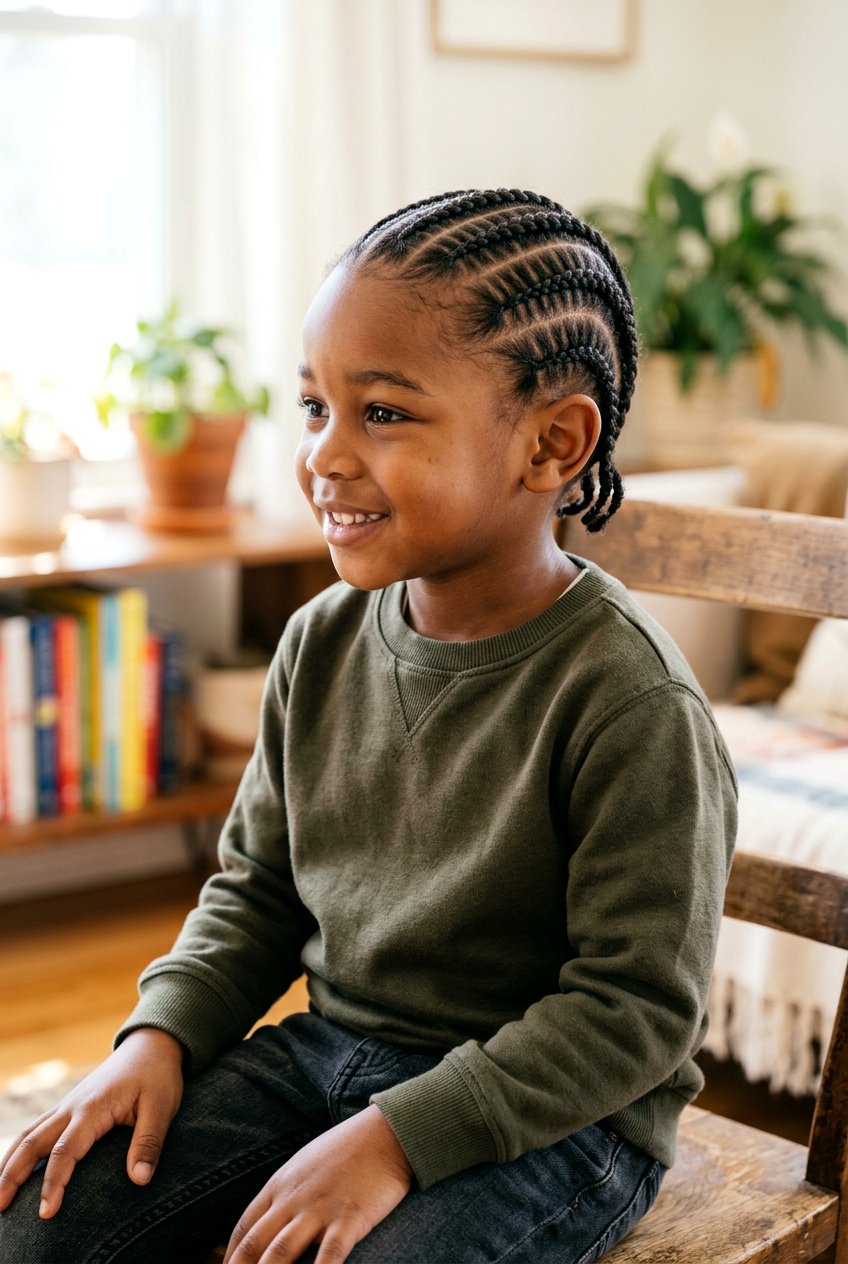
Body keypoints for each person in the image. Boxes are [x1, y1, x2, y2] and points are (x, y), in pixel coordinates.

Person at [0, 189, 737, 1264]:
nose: (324, 457)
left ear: (550, 443)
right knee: (37, 1230)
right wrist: (159, 1036)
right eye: (313, 407)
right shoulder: (317, 641)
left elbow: (630, 1012)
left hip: (553, 1121)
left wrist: (399, 1137)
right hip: (326, 1054)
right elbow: (255, 890)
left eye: (381, 413)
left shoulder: (630, 702)